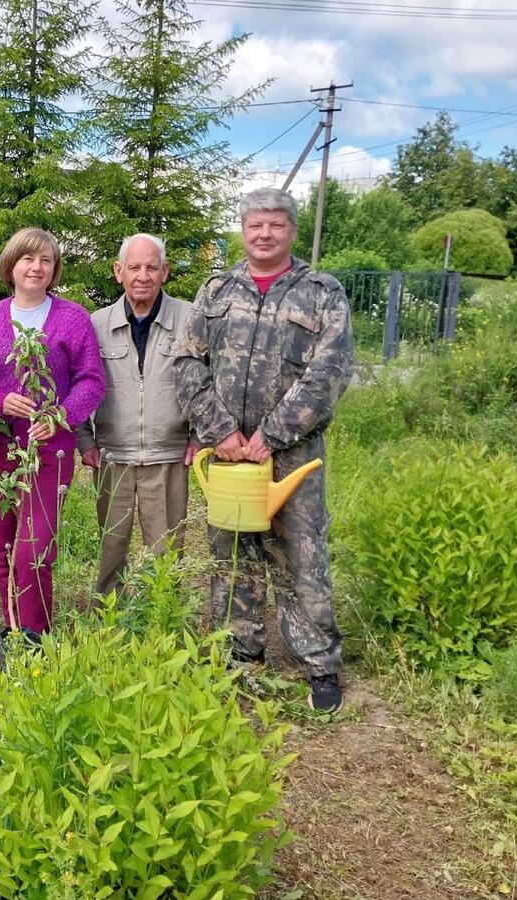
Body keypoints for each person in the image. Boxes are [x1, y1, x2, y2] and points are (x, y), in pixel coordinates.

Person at [172, 187, 353, 713]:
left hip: (292, 456)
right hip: (228, 456)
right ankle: (238, 656)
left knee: (302, 557)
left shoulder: (322, 292)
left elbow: (329, 374)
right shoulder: (217, 289)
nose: (265, 234)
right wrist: (220, 431)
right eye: (256, 225)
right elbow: (188, 362)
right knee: (230, 558)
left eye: (276, 225)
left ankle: (319, 664)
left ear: (292, 231)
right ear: (243, 230)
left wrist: (269, 436)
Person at [0, 228, 105, 637]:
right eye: (28, 258)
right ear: (11, 264)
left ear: (54, 269)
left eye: (46, 260)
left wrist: (61, 414)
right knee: (6, 549)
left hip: (50, 450)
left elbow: (91, 379)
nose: (37, 267)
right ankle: (13, 633)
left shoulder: (72, 318)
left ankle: (36, 639)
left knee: (34, 551)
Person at [75, 233, 195, 597]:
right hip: (113, 456)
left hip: (169, 454)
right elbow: (78, 385)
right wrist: (84, 440)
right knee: (112, 549)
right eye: (134, 267)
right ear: (118, 271)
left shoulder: (191, 319)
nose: (142, 276)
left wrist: (200, 435)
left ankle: (162, 621)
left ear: (165, 272)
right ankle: (109, 624)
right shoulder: (95, 325)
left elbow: (211, 382)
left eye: (151, 267)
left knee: (166, 551)